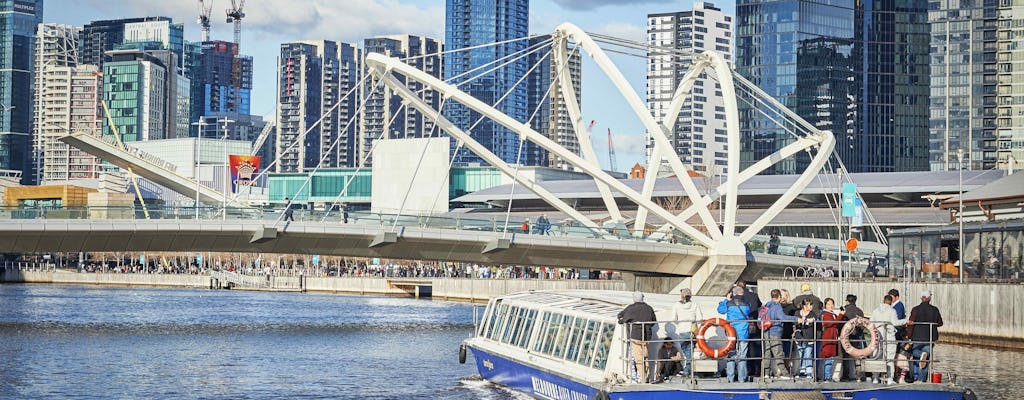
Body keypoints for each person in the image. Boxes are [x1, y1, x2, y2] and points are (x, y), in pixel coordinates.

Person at [618, 292, 658, 383]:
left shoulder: (631, 308)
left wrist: (623, 321)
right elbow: (653, 321)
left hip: (636, 336)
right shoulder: (649, 308)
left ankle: (642, 378)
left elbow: (621, 317)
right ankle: (647, 375)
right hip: (647, 336)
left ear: (634, 299)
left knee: (638, 358)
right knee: (645, 357)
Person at [905, 290, 943, 383]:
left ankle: (915, 377)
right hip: (929, 337)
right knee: (926, 359)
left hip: (917, 336)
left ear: (921, 298)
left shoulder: (915, 309)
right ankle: (921, 379)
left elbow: (911, 323)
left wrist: (909, 336)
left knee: (914, 352)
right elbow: (940, 323)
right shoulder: (935, 309)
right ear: (929, 298)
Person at [870, 294, 909, 383]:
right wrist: (906, 321)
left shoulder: (876, 311)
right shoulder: (892, 311)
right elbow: (895, 323)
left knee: (877, 356)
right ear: (891, 302)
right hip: (889, 337)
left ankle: (875, 377)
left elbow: (871, 322)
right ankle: (889, 378)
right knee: (890, 358)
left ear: (883, 300)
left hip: (877, 337)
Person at [761, 289, 799, 378]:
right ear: (779, 297)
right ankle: (785, 374)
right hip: (775, 332)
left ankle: (766, 373)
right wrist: (796, 319)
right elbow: (782, 317)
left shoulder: (767, 305)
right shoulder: (777, 306)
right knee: (778, 353)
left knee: (767, 352)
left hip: (766, 332)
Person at [717, 286, 751, 383]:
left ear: (733, 293)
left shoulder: (728, 303)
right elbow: (749, 311)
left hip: (731, 333)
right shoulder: (747, 304)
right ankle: (741, 379)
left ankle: (730, 378)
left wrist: (726, 300)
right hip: (743, 332)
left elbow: (720, 310)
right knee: (742, 355)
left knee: (731, 354)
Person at [671, 288, 703, 377]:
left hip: (682, 331)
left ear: (681, 296)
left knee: (686, 351)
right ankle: (688, 370)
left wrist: (680, 322)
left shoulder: (676, 305)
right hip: (692, 331)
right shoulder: (695, 305)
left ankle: (687, 370)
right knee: (690, 351)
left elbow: (673, 318)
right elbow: (700, 318)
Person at [735, 280, 762, 376]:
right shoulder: (754, 295)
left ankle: (746, 371)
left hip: (741, 326)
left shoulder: (736, 298)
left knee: (742, 349)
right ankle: (758, 370)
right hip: (754, 324)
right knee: (755, 347)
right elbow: (759, 305)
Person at [840, 294, 865, 381]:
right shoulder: (859, 311)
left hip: (846, 337)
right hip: (856, 336)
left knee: (846, 357)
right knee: (857, 356)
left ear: (847, 301)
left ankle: (846, 376)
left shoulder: (844, 311)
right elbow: (863, 325)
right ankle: (859, 375)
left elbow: (841, 324)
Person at [820, 298, 845, 381]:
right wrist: (841, 315)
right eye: (829, 304)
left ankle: (827, 375)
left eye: (832, 304)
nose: (831, 306)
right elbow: (832, 322)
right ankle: (827, 376)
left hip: (832, 338)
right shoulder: (825, 314)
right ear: (825, 305)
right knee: (828, 358)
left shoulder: (832, 314)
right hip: (828, 338)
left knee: (830, 358)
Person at [792, 299, 818, 378]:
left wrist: (813, 320)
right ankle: (801, 371)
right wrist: (799, 321)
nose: (811, 307)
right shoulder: (797, 313)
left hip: (809, 337)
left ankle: (809, 372)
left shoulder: (812, 314)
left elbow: (817, 319)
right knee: (800, 354)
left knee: (808, 354)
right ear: (804, 306)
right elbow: (794, 323)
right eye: (809, 305)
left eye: (811, 305)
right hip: (799, 337)